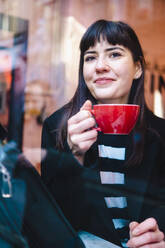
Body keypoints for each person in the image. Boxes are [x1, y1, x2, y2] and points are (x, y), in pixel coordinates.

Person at [41, 20, 165, 247]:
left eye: (114, 54)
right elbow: (48, 222)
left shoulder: (160, 134)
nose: (100, 66)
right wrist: (74, 157)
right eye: (90, 57)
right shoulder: (57, 127)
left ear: (138, 68)